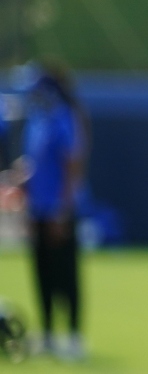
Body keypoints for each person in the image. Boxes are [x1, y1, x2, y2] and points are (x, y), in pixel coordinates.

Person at [16, 62, 88, 361]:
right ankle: (46, 334)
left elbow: (72, 165)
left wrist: (62, 208)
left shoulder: (64, 117)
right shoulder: (36, 119)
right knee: (42, 272)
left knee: (65, 273)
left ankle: (72, 336)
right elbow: (34, 165)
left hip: (59, 210)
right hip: (37, 209)